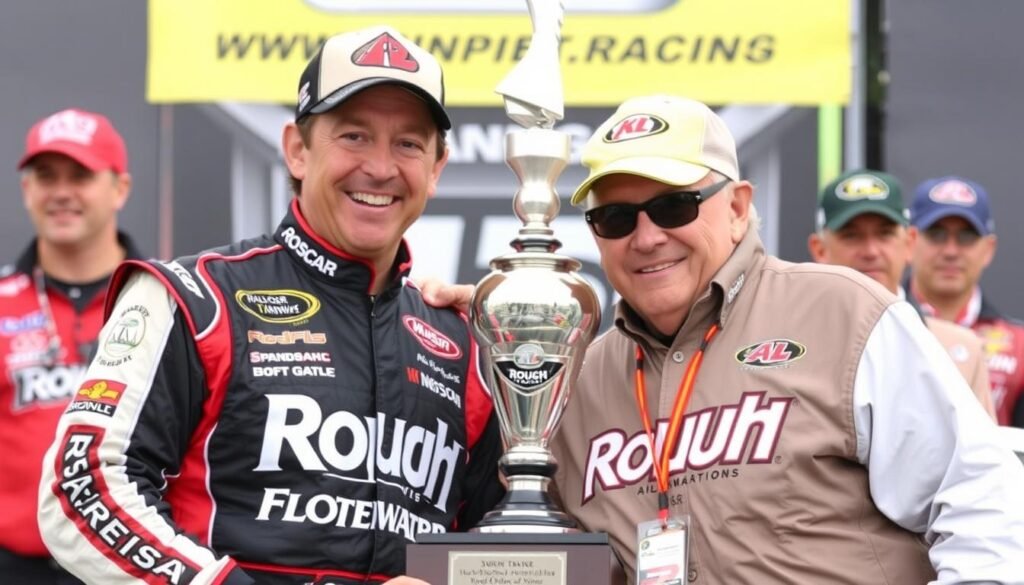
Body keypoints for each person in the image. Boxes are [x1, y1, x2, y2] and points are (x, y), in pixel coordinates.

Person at [422, 95, 1024, 583]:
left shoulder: (843, 311)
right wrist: (484, 342)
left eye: (674, 206)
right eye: (616, 218)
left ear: (737, 207)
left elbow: (979, 496)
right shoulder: (576, 380)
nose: (647, 236)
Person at [37, 26, 503, 585]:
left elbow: (504, 543)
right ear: (298, 150)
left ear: (436, 170)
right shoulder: (196, 298)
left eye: (408, 143)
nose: (380, 168)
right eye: (354, 136)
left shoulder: (466, 347)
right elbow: (82, 485)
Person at [0, 108, 143, 584]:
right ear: (27, 191)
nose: (61, 192)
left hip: (130, 567)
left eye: (80, 175)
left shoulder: (168, 299)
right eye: (45, 176)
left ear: (119, 188)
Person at [807, 169, 996, 419]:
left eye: (884, 233)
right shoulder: (791, 345)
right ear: (820, 251)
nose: (871, 251)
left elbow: (982, 456)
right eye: (851, 235)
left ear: (909, 243)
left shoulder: (960, 349)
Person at [907, 175, 1024, 427]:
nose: (950, 251)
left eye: (966, 237)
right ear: (910, 241)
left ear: (989, 249)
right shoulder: (881, 326)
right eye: (936, 234)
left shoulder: (1019, 346)